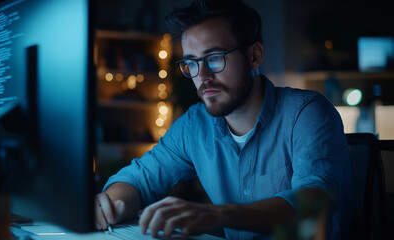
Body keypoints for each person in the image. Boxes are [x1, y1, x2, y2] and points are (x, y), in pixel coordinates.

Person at [95, 0, 352, 239]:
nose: (202, 75)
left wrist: (218, 214)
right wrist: (111, 203)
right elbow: (139, 178)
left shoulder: (307, 113)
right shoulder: (195, 125)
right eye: (191, 63)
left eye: (215, 58)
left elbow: (312, 204)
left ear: (254, 56)